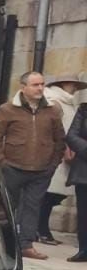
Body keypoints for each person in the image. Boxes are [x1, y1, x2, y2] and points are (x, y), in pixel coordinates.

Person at [0, 70, 66, 261]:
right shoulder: (8, 109)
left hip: (42, 169)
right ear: (23, 88)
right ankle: (2, 243)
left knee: (33, 207)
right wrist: (2, 162)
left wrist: (53, 164)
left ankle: (26, 245)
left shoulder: (53, 110)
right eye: (35, 85)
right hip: (12, 167)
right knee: (6, 207)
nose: (40, 88)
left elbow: (60, 139)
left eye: (42, 84)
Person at [39, 74, 84, 244]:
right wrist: (65, 148)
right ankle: (41, 230)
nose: (75, 89)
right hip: (56, 152)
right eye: (74, 85)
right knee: (49, 193)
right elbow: (57, 128)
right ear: (65, 83)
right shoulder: (54, 100)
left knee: (54, 194)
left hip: (64, 152)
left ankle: (41, 229)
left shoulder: (66, 101)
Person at [64, 79, 87, 262]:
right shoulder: (84, 110)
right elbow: (71, 135)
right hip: (84, 169)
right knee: (84, 212)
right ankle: (84, 249)